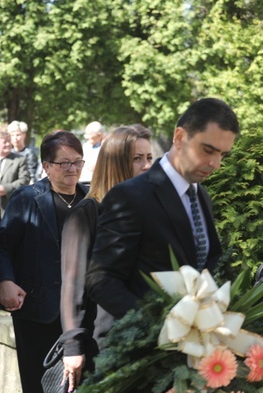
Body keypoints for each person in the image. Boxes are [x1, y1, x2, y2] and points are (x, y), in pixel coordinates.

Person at [0, 130, 88, 393]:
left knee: (73, 389)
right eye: (64, 163)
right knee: (50, 388)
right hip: (38, 308)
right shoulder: (27, 199)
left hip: (82, 310)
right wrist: (4, 281)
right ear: (46, 166)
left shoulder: (90, 199)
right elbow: (2, 246)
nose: (72, 169)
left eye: (77, 162)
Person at [86, 98, 237, 320]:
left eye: (222, 154)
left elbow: (207, 264)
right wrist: (157, 327)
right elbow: (101, 279)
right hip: (144, 346)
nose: (215, 163)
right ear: (179, 137)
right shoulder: (129, 196)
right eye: (208, 150)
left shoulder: (201, 195)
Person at [59, 125, 153, 393]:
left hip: (144, 337)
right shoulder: (87, 213)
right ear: (115, 162)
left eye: (149, 158)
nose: (146, 166)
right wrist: (73, 346)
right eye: (137, 158)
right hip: (101, 345)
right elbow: (72, 285)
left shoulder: (148, 211)